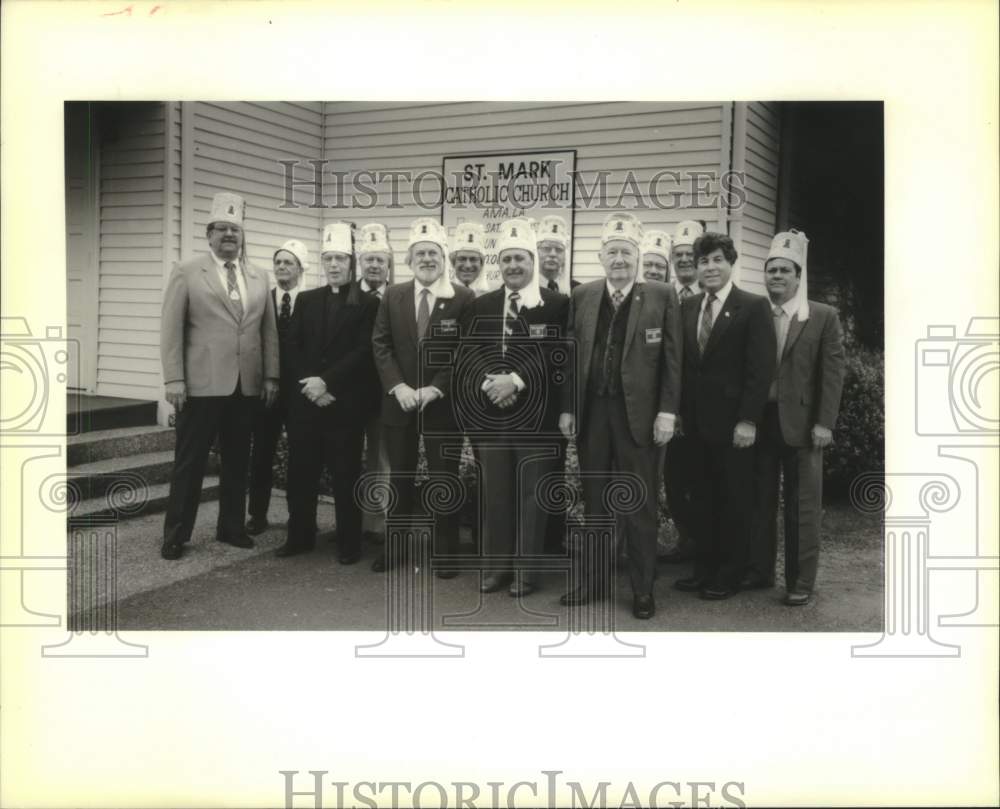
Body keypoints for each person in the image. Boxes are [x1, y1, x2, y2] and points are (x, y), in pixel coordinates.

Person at [558, 213, 682, 619]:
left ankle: (643, 589)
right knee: (594, 502)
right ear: (600, 256)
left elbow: (672, 361)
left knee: (638, 503)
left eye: (626, 252)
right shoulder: (584, 296)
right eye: (611, 252)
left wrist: (667, 411)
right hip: (593, 412)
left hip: (640, 417)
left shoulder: (662, 295)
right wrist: (568, 408)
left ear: (638, 255)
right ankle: (593, 582)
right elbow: (571, 357)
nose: (619, 259)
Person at [159, 192, 279, 560]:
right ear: (209, 234)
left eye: (235, 230)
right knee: (190, 461)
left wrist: (272, 376)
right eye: (222, 229)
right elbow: (171, 328)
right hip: (201, 385)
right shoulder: (187, 271)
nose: (229, 235)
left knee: (238, 459)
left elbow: (268, 331)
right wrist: (173, 379)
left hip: (247, 384)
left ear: (243, 236)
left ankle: (231, 527)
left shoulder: (259, 275)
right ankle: (177, 533)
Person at [460, 218, 569, 596]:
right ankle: (496, 569)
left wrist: (516, 380)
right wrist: (491, 383)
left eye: (520, 258)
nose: (513, 266)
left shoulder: (556, 305)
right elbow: (470, 351)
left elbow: (555, 353)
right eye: (506, 259)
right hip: (492, 414)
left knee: (531, 495)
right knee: (497, 493)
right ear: (499, 264)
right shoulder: (483, 304)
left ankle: (526, 573)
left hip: (536, 419)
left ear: (532, 260)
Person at [371, 217, 475, 576]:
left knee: (442, 478)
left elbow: (464, 348)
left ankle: (445, 552)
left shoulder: (462, 297)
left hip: (441, 404)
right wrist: (398, 386)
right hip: (399, 402)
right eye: (421, 253)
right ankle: (395, 547)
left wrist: (437, 386)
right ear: (409, 259)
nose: (427, 259)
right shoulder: (393, 294)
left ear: (443, 257)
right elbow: (380, 343)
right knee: (398, 476)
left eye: (433, 252)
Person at [746, 230, 845, 605]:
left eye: (785, 270)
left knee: (803, 506)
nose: (777, 276)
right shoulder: (755, 311)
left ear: (798, 276)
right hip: (761, 421)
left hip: (803, 425)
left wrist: (825, 422)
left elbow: (831, 374)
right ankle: (759, 571)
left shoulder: (822, 316)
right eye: (771, 270)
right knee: (760, 500)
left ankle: (800, 582)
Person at [675, 232, 775, 600]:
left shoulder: (752, 306)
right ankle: (704, 569)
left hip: (734, 426)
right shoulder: (687, 308)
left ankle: (730, 574)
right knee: (700, 500)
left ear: (731, 263)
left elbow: (760, 370)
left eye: (717, 259)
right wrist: (680, 414)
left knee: (733, 501)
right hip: (696, 425)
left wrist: (748, 420)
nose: (710, 267)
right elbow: (685, 368)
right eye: (703, 261)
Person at [281, 222, 380, 561]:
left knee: (345, 475)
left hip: (343, 405)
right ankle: (300, 537)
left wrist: (328, 382)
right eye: (328, 259)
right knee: (301, 474)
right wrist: (311, 385)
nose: (334, 265)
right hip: (308, 402)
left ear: (351, 263)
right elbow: (291, 347)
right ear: (322, 263)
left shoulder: (367, 303)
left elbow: (364, 350)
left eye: (340, 258)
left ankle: (349, 544)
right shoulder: (307, 300)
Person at [245, 239, 308, 535]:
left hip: (299, 394)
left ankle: (299, 518)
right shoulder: (262, 300)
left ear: (300, 268)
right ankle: (257, 515)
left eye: (289, 262)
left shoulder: (311, 302)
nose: (282, 267)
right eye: (278, 262)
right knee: (262, 455)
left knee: (300, 456)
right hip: (266, 392)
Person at [660, 219, 704, 563]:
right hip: (666, 404)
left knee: (702, 480)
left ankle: (707, 545)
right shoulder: (661, 294)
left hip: (703, 406)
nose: (685, 260)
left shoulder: (713, 295)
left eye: (691, 254)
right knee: (673, 480)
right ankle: (686, 539)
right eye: (679, 254)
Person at [356, 222, 394, 545]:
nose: (374, 266)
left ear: (388, 264)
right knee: (350, 455)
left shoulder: (396, 296)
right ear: (360, 263)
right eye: (369, 259)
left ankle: (376, 523)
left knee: (381, 457)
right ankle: (351, 520)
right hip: (352, 392)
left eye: (380, 260)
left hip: (384, 391)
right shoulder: (347, 295)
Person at [536, 214, 578, 294]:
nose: (553, 254)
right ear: (536, 251)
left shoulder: (577, 290)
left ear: (565, 255)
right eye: (547, 248)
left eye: (559, 249)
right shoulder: (525, 288)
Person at [449, 221, 490, 295]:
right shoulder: (443, 295)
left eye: (473, 259)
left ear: (481, 264)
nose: (468, 265)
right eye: (462, 259)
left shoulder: (491, 297)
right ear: (453, 263)